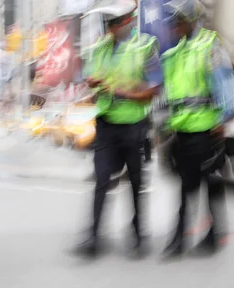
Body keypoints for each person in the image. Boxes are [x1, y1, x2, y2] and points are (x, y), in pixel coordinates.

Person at [74, 0, 163, 258]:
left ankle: (138, 234)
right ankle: (93, 237)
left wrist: (120, 91)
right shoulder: (101, 48)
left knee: (136, 182)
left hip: (134, 127)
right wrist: (92, 81)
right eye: (107, 24)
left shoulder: (145, 48)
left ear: (127, 22)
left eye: (112, 23)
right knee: (101, 180)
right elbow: (90, 77)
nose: (108, 29)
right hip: (106, 127)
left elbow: (152, 91)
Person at [160, 0, 234, 258]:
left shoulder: (209, 47)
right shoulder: (175, 53)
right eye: (172, 22)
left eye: (177, 21)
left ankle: (182, 238)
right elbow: (171, 94)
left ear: (191, 20)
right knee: (202, 182)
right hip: (183, 131)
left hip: (206, 130)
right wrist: (166, 125)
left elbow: (226, 84)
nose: (173, 26)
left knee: (196, 183)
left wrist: (224, 119)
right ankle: (214, 233)